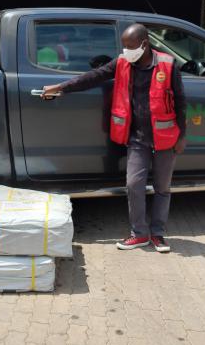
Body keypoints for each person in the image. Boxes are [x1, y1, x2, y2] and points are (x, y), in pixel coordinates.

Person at [42, 23, 187, 253]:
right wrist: (61, 87)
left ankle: (158, 234)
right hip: (137, 138)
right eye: (124, 47)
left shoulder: (168, 66)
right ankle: (139, 234)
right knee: (133, 184)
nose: (126, 51)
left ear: (144, 44)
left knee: (162, 187)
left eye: (130, 47)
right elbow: (94, 77)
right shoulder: (122, 63)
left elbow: (180, 101)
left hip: (165, 137)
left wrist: (182, 135)